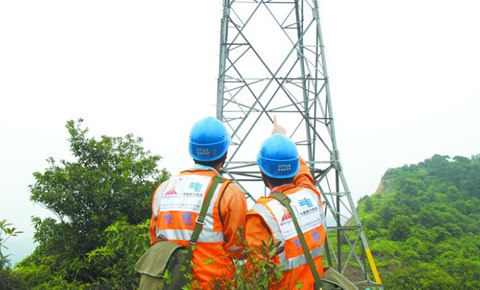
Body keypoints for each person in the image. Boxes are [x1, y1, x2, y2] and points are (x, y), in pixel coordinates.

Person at [149, 116, 247, 288]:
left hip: (168, 284)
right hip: (212, 284)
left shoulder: (163, 189)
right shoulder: (228, 193)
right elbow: (239, 250)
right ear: (225, 152)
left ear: (191, 149)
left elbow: (155, 241)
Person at [245, 117, 326, 289]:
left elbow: (254, 276)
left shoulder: (261, 215)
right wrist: (283, 141)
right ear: (295, 166)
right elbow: (303, 174)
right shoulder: (311, 195)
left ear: (262, 172)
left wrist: (279, 142)